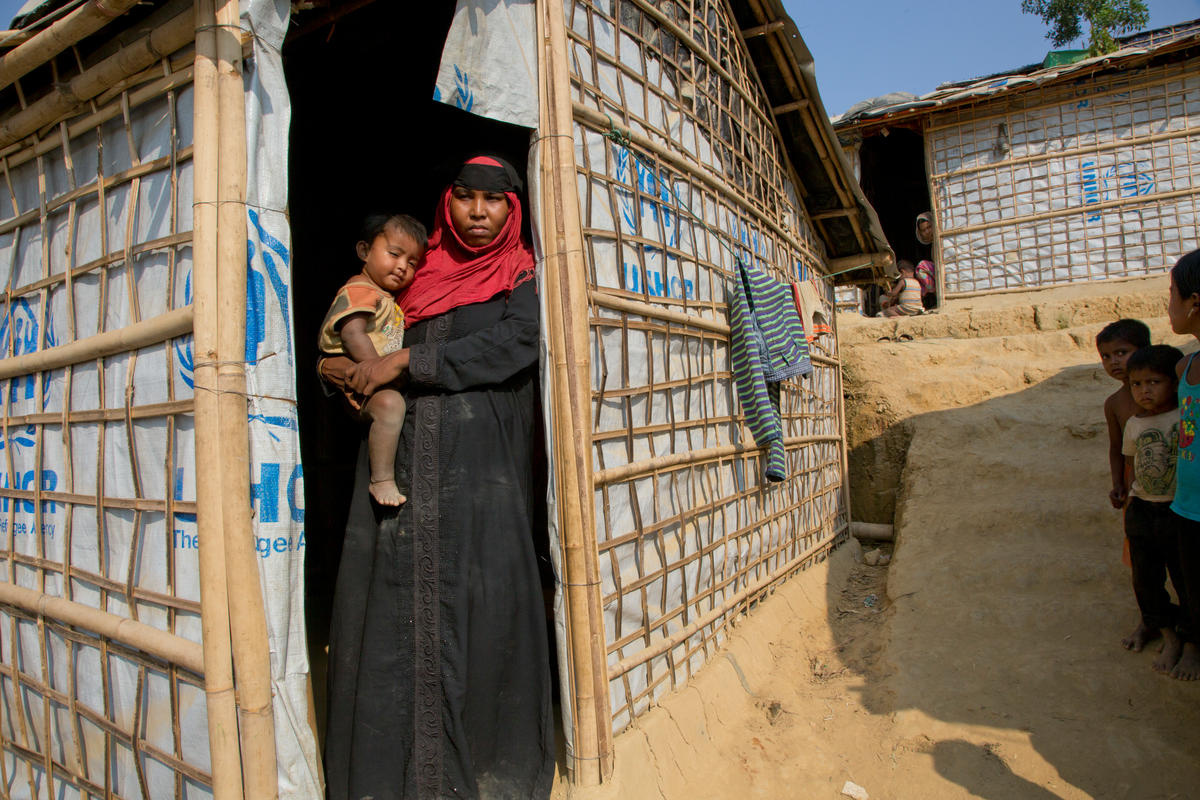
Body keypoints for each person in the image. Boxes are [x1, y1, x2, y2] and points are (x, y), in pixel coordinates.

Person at [321, 155, 553, 797]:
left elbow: (515, 345)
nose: (478, 214)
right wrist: (348, 371)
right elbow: (353, 347)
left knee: (482, 605)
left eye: (494, 201)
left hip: (482, 476)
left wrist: (407, 362)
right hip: (402, 472)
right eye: (466, 199)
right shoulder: (409, 281)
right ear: (445, 205)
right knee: (393, 610)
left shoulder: (520, 275)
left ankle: (483, 771)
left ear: (514, 209)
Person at [318, 213, 425, 506]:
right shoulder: (360, 289)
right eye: (394, 254)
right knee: (390, 406)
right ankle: (381, 480)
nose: (402, 266)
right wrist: (382, 370)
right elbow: (353, 334)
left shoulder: (384, 296)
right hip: (358, 377)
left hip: (373, 377)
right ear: (365, 252)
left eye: (412, 262)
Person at [1120, 344, 1184, 668]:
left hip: (1180, 509)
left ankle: (1190, 637)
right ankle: (1166, 631)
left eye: (1153, 382)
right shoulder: (1133, 424)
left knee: (1185, 577)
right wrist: (1130, 502)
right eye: (1137, 384)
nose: (1144, 390)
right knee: (1145, 578)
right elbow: (1131, 464)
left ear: (1173, 383)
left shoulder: (1184, 415)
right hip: (1143, 509)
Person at [1166, 248, 1200, 680]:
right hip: (1186, 505)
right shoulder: (1185, 367)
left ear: (1194, 303)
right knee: (1190, 587)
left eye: (1171, 293)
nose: (1167, 305)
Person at [1098, 319, 1151, 510]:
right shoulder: (1114, 404)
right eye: (1106, 356)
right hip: (1135, 482)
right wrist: (1118, 483)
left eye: (1121, 353)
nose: (1114, 361)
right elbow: (1116, 447)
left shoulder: (1167, 390)